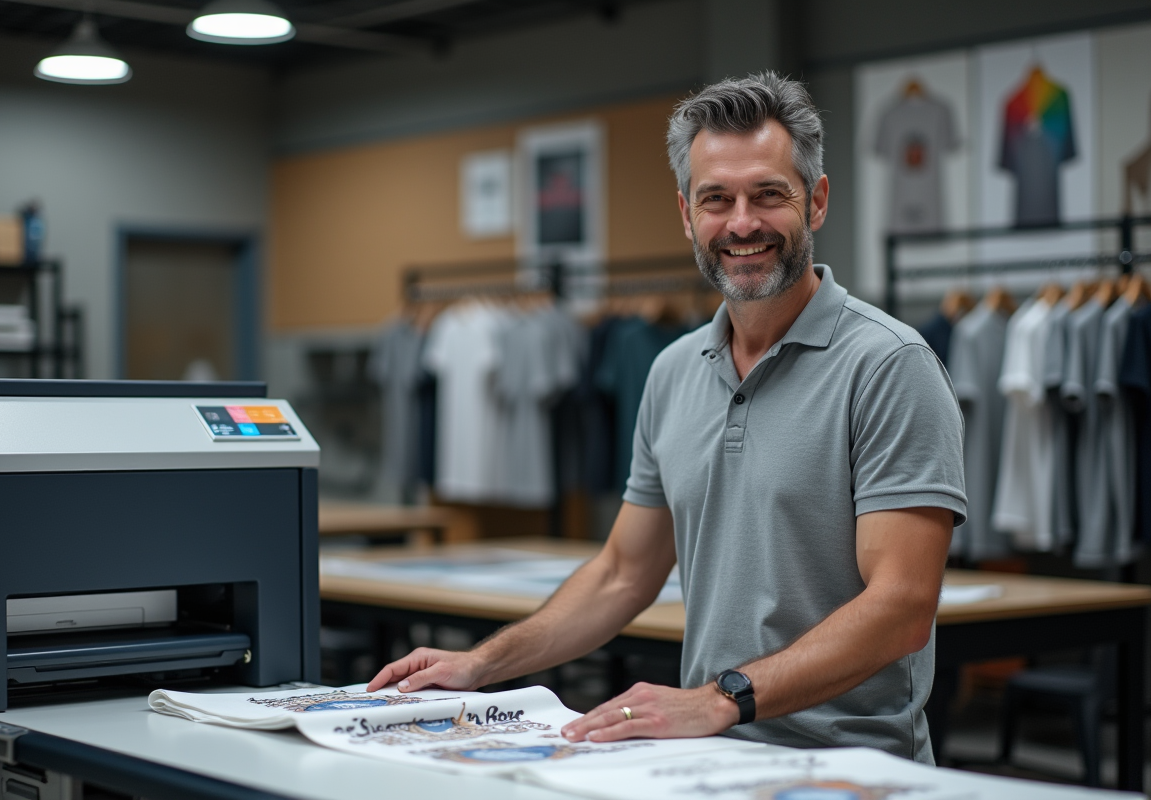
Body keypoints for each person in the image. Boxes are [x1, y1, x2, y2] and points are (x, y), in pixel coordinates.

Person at [368, 72, 966, 764]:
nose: (742, 223)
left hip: (852, 767)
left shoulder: (889, 365)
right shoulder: (674, 371)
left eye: (769, 194)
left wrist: (718, 699)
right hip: (704, 761)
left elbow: (901, 608)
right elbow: (624, 571)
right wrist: (482, 664)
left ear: (818, 201)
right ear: (687, 214)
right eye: (718, 199)